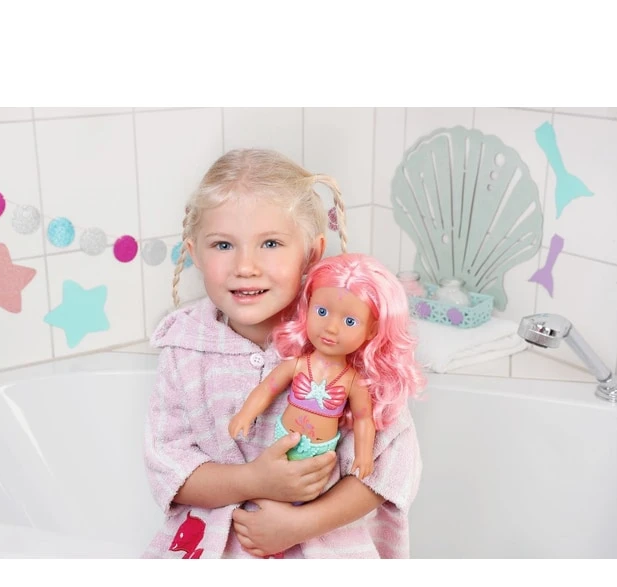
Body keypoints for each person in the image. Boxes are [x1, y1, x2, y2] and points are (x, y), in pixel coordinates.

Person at [143, 148, 423, 558]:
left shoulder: (342, 341)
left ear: (311, 253)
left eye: (270, 243)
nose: (246, 266)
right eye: (223, 244)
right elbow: (168, 466)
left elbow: (389, 465)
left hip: (320, 545)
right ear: (196, 253)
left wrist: (302, 524)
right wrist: (254, 480)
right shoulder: (184, 349)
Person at [229, 253, 424, 482]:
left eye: (350, 321)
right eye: (321, 312)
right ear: (308, 308)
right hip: (283, 439)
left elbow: (363, 419)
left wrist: (363, 455)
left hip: (321, 452)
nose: (331, 328)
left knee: (312, 489)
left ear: (371, 331)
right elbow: (266, 389)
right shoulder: (298, 365)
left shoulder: (352, 381)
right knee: (274, 482)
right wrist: (246, 414)